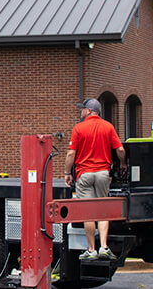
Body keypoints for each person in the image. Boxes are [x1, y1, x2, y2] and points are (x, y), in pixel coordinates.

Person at [64, 98, 126, 261]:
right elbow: (120, 149)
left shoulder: (79, 128)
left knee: (89, 212)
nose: (81, 111)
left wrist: (67, 172)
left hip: (84, 174)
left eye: (83, 109)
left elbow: (71, 153)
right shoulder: (108, 127)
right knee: (103, 210)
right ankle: (104, 247)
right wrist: (123, 163)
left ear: (89, 111)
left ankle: (91, 250)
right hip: (103, 174)